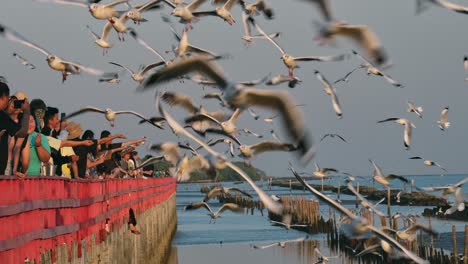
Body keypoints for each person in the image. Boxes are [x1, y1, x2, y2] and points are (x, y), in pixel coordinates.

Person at [0, 81, 30, 176]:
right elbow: (22, 132)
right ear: (3, 97)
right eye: (9, 99)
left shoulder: (3, 116)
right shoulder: (2, 116)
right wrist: (26, 111)